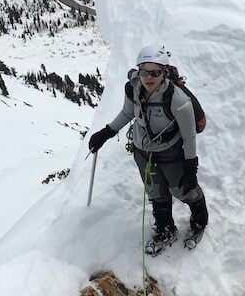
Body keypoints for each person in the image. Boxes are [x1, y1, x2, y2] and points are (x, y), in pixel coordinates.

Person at [88, 44, 209, 255]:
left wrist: (191, 167)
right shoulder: (133, 88)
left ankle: (200, 220)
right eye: (144, 71)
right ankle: (165, 229)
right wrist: (106, 133)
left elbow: (189, 136)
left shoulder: (178, 99)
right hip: (143, 151)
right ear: (138, 71)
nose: (149, 77)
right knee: (155, 191)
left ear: (164, 73)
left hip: (170, 152)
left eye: (155, 72)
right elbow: (128, 113)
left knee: (183, 189)